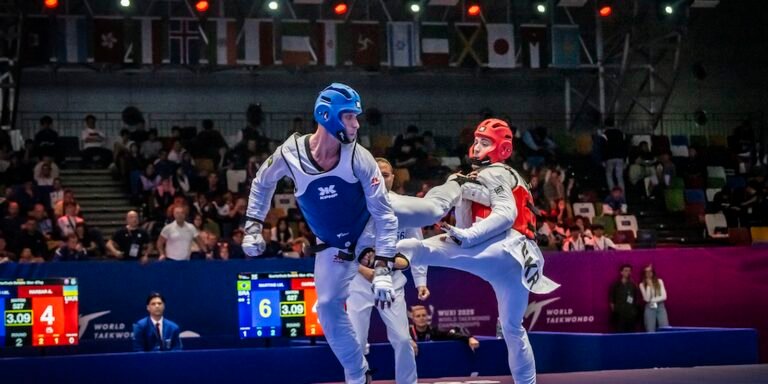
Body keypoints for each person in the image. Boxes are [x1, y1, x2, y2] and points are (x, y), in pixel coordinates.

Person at [242, 83, 399, 384]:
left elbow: (385, 215)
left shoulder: (360, 157)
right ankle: (358, 373)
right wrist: (252, 228)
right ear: (326, 115)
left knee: (425, 212)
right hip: (331, 246)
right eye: (350, 116)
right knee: (326, 307)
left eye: (356, 117)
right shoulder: (289, 154)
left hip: (366, 230)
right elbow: (262, 183)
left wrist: (382, 268)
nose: (356, 124)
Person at [397, 118, 559, 384]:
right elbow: (475, 214)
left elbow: (506, 214)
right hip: (519, 260)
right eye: (476, 141)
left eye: (485, 143)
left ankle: (381, 262)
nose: (477, 147)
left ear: (503, 149)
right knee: (512, 328)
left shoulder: (494, 171)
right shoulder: (510, 177)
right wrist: (463, 211)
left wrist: (467, 233)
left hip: (501, 246)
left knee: (421, 249)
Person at [346, 158, 429, 384]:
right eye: (378, 174)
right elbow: (343, 248)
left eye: (387, 174)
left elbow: (417, 246)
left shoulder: (405, 207)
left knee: (403, 340)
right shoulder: (355, 206)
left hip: (393, 282)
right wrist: (364, 270)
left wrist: (421, 281)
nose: (382, 178)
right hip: (360, 283)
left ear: (394, 178)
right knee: (357, 343)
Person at [408, 305, 479, 355]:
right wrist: (409, 341)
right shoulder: (407, 333)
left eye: (424, 315)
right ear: (413, 319)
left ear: (427, 317)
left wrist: (469, 338)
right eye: (418, 316)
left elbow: (453, 335)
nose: (421, 318)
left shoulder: (434, 331)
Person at [609, 264, 639, 332]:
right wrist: (615, 310)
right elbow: (611, 300)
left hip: (631, 314)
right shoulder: (615, 285)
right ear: (621, 272)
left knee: (631, 334)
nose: (628, 272)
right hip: (619, 314)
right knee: (620, 333)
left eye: (629, 271)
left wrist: (634, 312)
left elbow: (636, 299)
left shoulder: (633, 285)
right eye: (625, 271)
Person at [640, 264, 669, 332]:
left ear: (653, 272)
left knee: (665, 328)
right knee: (650, 329)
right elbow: (647, 299)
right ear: (644, 274)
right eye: (646, 272)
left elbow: (664, 296)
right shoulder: (641, 284)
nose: (648, 273)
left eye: (650, 271)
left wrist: (652, 300)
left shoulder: (659, 281)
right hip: (649, 308)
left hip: (660, 306)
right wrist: (649, 286)